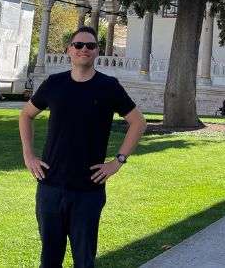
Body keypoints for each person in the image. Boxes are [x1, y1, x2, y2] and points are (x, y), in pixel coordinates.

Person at [19, 26, 147, 268]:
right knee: (49, 260)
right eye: (78, 45)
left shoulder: (108, 86)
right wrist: (29, 155)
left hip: (88, 190)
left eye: (90, 45)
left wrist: (117, 161)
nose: (84, 50)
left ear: (97, 51)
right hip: (50, 187)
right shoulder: (54, 84)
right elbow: (26, 115)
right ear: (69, 50)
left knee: (84, 261)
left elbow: (138, 122)